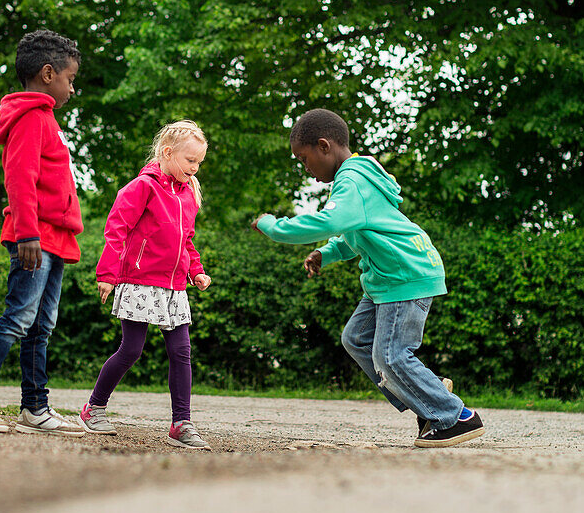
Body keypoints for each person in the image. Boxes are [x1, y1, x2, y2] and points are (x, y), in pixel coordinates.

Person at [252, 109, 484, 447]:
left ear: (324, 146)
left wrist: (274, 226)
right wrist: (326, 254)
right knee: (356, 338)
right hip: (387, 278)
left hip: (405, 275)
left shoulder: (352, 180)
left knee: (391, 357)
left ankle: (456, 417)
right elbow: (354, 232)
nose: (305, 168)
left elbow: (330, 222)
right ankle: (427, 393)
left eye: (304, 159)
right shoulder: (359, 178)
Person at [0, 29, 85, 437]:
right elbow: (20, 178)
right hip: (35, 237)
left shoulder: (48, 119)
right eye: (69, 78)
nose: (72, 88)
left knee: (42, 325)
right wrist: (27, 234)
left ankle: (35, 407)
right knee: (19, 318)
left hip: (55, 237)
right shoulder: (29, 117)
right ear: (48, 74)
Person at [80, 120, 212, 449]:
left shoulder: (188, 194)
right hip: (139, 281)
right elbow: (117, 229)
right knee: (131, 350)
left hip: (174, 287)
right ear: (167, 153)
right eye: (190, 161)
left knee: (182, 351)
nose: (195, 168)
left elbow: (187, 240)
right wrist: (107, 274)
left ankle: (181, 423)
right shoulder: (143, 187)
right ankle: (93, 408)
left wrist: (195, 270)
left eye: (199, 162)